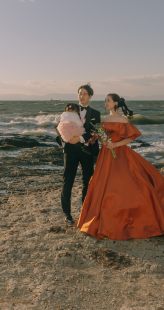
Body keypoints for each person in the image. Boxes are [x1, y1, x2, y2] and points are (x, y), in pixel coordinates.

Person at [77, 93, 164, 240]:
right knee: (103, 184)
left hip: (120, 153)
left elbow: (130, 137)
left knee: (123, 184)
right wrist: (103, 141)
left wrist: (115, 144)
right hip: (105, 154)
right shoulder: (105, 119)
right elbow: (101, 136)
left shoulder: (122, 119)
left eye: (108, 101)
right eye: (105, 101)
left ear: (115, 103)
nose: (105, 103)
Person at [57, 83, 101, 224]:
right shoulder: (70, 110)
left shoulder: (95, 114)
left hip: (87, 151)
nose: (81, 96)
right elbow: (60, 127)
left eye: (84, 94)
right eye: (80, 93)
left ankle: (85, 210)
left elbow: (95, 132)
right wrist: (66, 139)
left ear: (90, 96)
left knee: (88, 181)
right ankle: (67, 214)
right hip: (70, 150)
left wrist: (80, 138)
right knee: (67, 180)